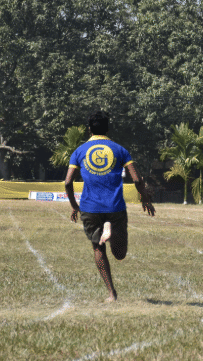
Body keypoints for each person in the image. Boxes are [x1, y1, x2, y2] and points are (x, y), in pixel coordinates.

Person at [64, 111, 155, 302]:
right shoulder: (120, 150)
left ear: (89, 129)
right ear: (108, 128)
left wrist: (74, 206)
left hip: (90, 207)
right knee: (119, 254)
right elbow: (137, 178)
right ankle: (110, 230)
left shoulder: (79, 151)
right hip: (115, 207)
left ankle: (111, 293)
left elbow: (67, 182)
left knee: (98, 249)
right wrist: (144, 198)